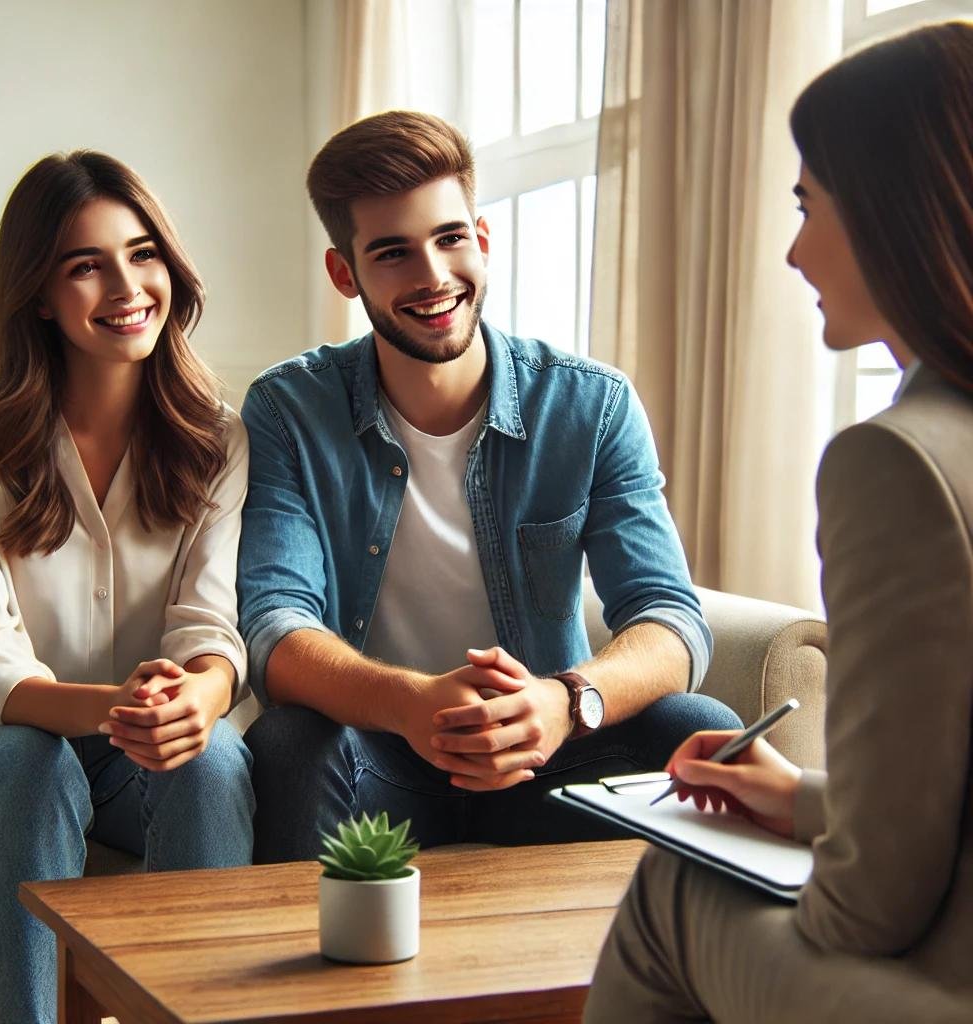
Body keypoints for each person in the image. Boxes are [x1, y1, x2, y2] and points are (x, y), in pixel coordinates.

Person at [584, 21, 973, 1024]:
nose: (794, 252)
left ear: (890, 208)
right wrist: (800, 798)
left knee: (675, 885)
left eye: (807, 206)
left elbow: (869, 907)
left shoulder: (899, 462)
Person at [237, 110, 741, 863]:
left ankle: (676, 948)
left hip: (546, 750)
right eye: (393, 253)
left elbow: (668, 615)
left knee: (699, 729)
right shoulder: (289, 409)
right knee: (290, 742)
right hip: (384, 755)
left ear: (481, 237)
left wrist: (566, 700)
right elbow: (276, 628)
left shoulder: (591, 405)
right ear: (345, 274)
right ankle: (315, 948)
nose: (433, 276)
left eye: (449, 239)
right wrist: (412, 705)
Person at [0, 152, 254, 1023]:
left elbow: (209, 623)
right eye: (86, 265)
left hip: (140, 753)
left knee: (213, 756)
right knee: (29, 763)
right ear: (40, 294)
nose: (126, 286)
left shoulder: (219, 440)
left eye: (143, 253)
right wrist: (119, 707)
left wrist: (200, 696)